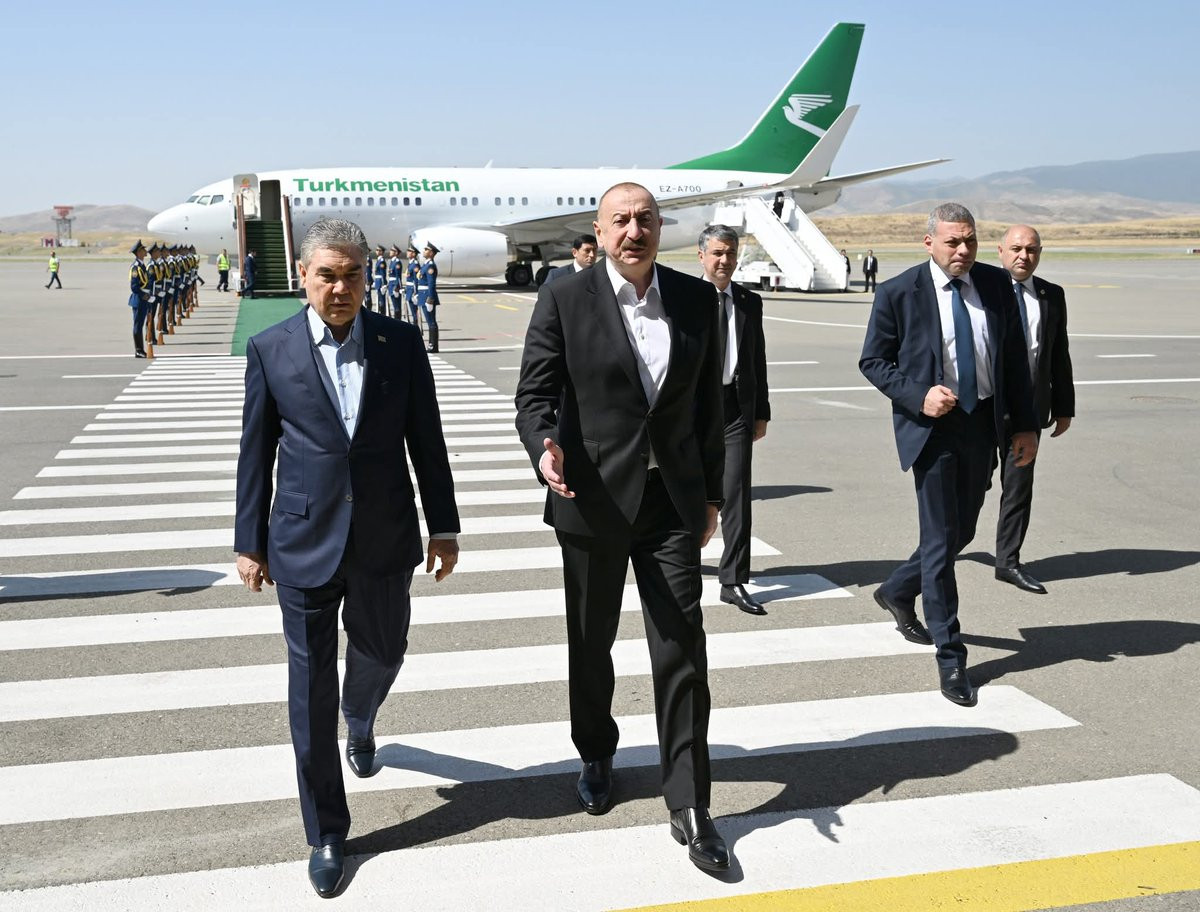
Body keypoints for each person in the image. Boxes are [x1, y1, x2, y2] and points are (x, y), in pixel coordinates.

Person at [234, 217, 460, 898]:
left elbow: (427, 439)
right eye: (327, 275)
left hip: (385, 536)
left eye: (352, 274)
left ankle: (360, 719)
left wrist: (444, 527)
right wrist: (249, 541)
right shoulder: (270, 348)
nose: (340, 288)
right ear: (303, 276)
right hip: (302, 540)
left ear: (366, 277)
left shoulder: (399, 342)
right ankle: (326, 831)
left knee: (385, 651)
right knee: (310, 692)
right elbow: (256, 451)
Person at [515, 182, 729, 873]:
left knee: (682, 646)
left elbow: (707, 407)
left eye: (645, 220)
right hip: (592, 498)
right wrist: (543, 444)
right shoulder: (563, 296)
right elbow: (534, 394)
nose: (634, 231)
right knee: (591, 641)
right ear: (600, 231)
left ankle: (689, 800)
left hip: (670, 503)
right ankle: (596, 752)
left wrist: (713, 494)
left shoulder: (695, 299)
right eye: (621, 221)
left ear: (660, 228)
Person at [859, 202, 1038, 708]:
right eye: (953, 242)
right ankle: (951, 654)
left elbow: (1014, 362)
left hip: (982, 424)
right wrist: (919, 395)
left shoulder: (996, 285)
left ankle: (897, 589)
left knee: (962, 532)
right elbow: (873, 361)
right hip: (933, 429)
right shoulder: (899, 292)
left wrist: (1026, 426)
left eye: (970, 241)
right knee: (939, 541)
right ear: (929, 243)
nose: (963, 250)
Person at [993, 225, 1075, 594]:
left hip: (1028, 410)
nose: (1023, 256)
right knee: (970, 487)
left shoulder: (1051, 295)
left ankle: (1008, 562)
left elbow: (1059, 354)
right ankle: (942, 552)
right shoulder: (982, 291)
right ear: (1000, 251)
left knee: (1018, 487)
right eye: (1016, 248)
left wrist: (1064, 406)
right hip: (985, 407)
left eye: (1031, 250)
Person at [697, 224, 771, 616]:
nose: (724, 260)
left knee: (738, 496)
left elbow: (757, 358)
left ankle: (733, 580)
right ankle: (679, 563)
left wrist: (761, 412)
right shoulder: (684, 298)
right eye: (717, 253)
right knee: (684, 492)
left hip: (735, 409)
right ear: (702, 256)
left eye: (730, 253)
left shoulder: (748, 302)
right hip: (693, 410)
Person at [128, 240, 153, 358]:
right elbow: (134, 287)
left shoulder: (142, 265)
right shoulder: (135, 267)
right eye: (143, 249)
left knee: (141, 324)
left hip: (144, 299)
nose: (145, 251)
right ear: (138, 252)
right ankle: (138, 350)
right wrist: (145, 296)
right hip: (139, 300)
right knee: (138, 325)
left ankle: (140, 349)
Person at [416, 242, 440, 352]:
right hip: (423, 295)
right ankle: (431, 344)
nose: (424, 251)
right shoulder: (425, 265)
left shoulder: (430, 266)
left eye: (426, 249)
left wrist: (430, 299)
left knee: (431, 322)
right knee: (429, 321)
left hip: (427, 296)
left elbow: (431, 284)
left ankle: (433, 345)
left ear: (431, 253)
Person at [404, 242, 420, 326]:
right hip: (409, 289)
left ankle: (416, 327)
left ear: (413, 254)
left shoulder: (415, 265)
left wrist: (416, 292)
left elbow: (416, 280)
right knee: (412, 311)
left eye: (409, 251)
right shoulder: (411, 263)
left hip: (412, 290)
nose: (407, 252)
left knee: (414, 312)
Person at [386, 244, 403, 319]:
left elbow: (398, 277)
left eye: (392, 250)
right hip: (391, 285)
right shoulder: (392, 262)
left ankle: (398, 321)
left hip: (394, 286)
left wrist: (397, 287)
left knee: (397, 306)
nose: (390, 251)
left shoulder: (397, 262)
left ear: (396, 253)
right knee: (394, 305)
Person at [371, 244, 387, 312]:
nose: (376, 251)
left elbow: (383, 273)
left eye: (378, 250)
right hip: (378, 281)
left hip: (380, 282)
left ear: (381, 252)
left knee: (381, 300)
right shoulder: (379, 260)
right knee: (379, 299)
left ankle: (382, 313)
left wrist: (383, 284)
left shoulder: (381, 261)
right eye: (376, 250)